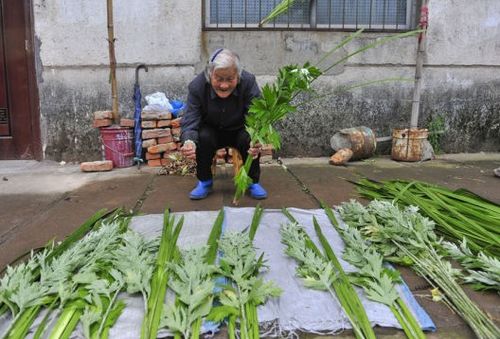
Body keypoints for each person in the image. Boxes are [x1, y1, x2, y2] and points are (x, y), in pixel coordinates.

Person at [180, 48, 267, 200]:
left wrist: (257, 137)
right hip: (212, 130)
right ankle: (204, 181)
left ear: (238, 76)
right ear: (209, 74)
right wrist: (189, 141)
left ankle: (252, 181)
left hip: (240, 129)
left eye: (230, 79)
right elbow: (190, 119)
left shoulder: (248, 82)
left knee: (249, 138)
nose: (224, 85)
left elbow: (257, 115)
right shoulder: (197, 86)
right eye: (219, 79)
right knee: (203, 137)